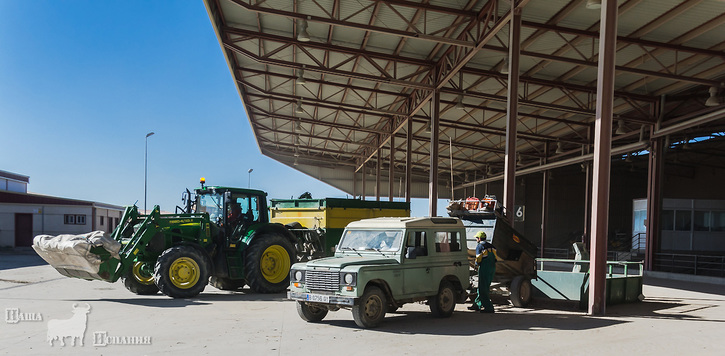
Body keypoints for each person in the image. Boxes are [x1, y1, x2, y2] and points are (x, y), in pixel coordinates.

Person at [468, 230, 498, 313]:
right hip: (492, 268)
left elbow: (478, 258)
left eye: (477, 238)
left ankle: (489, 308)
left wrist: (476, 264)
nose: (476, 239)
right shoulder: (492, 246)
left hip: (484, 268)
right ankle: (477, 304)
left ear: (479, 238)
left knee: (483, 289)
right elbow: (495, 258)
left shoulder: (480, 246)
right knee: (484, 287)